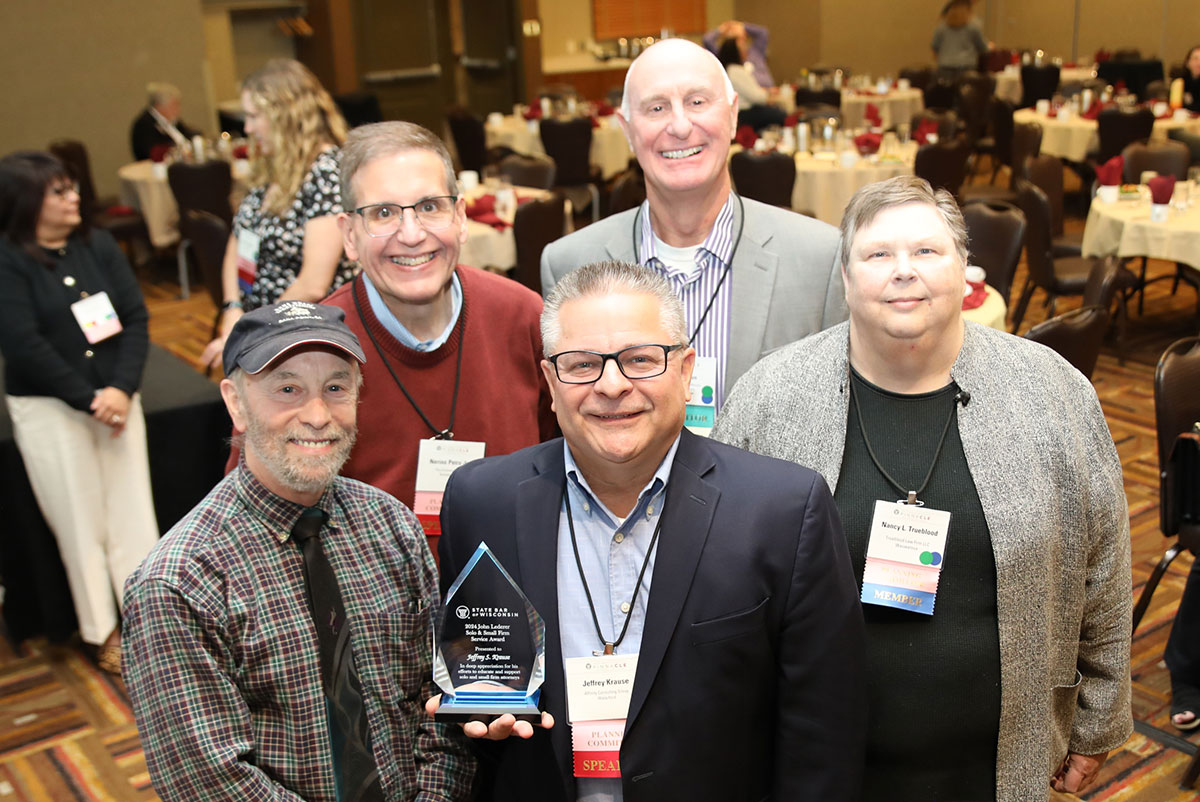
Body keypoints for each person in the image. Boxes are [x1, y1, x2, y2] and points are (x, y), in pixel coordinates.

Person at [713, 175, 1133, 801]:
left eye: (928, 252)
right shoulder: (769, 399)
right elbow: (722, 583)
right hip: (821, 768)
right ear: (847, 278)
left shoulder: (1053, 393)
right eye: (878, 254)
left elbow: (1103, 568)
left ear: (966, 271)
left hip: (999, 763)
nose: (902, 271)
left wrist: (1097, 721)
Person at [429, 261, 866, 801]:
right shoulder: (481, 501)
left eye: (639, 359)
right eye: (582, 364)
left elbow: (823, 733)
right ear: (548, 381)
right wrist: (481, 712)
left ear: (685, 371)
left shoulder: (783, 510)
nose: (611, 386)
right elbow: (476, 674)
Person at [123, 302, 474, 800]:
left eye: (336, 388)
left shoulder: (394, 526)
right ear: (236, 403)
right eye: (287, 389)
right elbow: (208, 782)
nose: (317, 416)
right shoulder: (178, 584)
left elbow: (442, 698)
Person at [541, 38, 845, 412]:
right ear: (627, 129)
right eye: (657, 108)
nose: (681, 126)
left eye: (697, 102)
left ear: (733, 115)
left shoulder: (820, 258)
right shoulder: (570, 263)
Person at [324, 121, 555, 552]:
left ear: (461, 218)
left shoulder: (524, 318)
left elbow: (568, 466)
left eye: (430, 206)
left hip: (515, 593)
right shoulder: (314, 349)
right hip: (374, 611)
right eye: (383, 213)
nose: (411, 235)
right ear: (349, 236)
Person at [0, 151, 159, 674]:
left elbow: (135, 317)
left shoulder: (97, 244)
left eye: (72, 188)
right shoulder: (10, 259)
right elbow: (23, 345)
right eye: (59, 191)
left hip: (117, 401)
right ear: (27, 203)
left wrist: (120, 388)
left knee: (131, 510)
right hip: (53, 410)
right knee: (79, 518)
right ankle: (102, 630)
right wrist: (89, 399)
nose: (74, 198)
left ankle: (149, 619)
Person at [200, 58, 356, 369]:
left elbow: (313, 284)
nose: (247, 127)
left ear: (286, 115)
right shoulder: (274, 168)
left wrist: (250, 332)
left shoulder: (325, 172)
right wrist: (232, 309)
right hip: (264, 332)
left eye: (254, 116)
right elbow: (238, 242)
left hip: (304, 339)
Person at [714, 38, 786, 133]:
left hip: (736, 113)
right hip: (744, 113)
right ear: (736, 52)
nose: (746, 51)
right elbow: (757, 97)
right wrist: (768, 94)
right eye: (743, 49)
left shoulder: (727, 69)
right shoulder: (737, 71)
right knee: (780, 114)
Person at [130, 82, 199, 161]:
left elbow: (187, 134)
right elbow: (155, 153)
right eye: (175, 105)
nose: (178, 110)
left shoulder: (172, 120)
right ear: (160, 106)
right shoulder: (144, 125)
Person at [703, 19, 775, 89]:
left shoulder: (756, 51)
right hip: (751, 98)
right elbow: (707, 40)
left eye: (742, 38)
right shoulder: (726, 57)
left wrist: (742, 26)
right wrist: (722, 29)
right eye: (736, 39)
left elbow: (763, 32)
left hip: (770, 92)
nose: (741, 42)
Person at [931, 0, 989, 79]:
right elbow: (983, 49)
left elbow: (934, 48)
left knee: (946, 90)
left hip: (945, 67)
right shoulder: (973, 28)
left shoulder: (941, 28)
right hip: (966, 67)